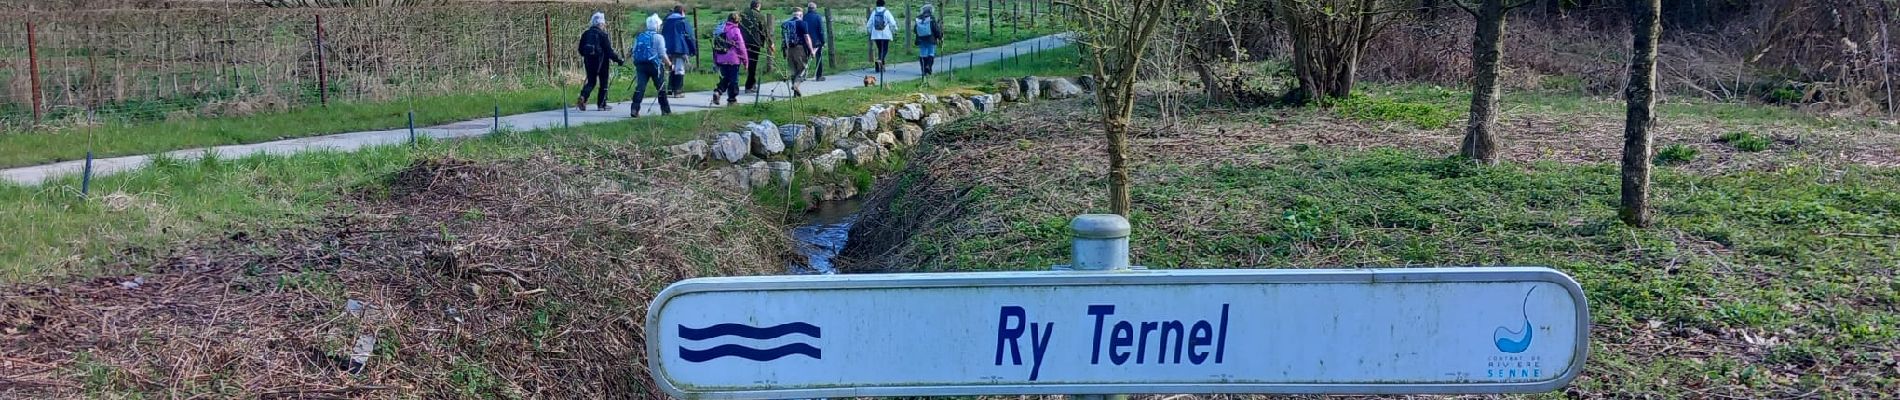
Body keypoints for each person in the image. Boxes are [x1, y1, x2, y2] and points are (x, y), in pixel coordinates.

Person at [575, 12, 624, 112]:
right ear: (600, 24)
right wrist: (619, 60)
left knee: (591, 82)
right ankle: (602, 104)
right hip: (602, 62)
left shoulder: (586, 33)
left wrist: (587, 56)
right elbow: (609, 52)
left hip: (589, 61)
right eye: (603, 23)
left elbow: (580, 49)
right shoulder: (603, 35)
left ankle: (583, 97)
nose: (604, 25)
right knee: (603, 83)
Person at [628, 14, 674, 118]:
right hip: (655, 66)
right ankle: (665, 110)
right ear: (657, 26)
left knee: (640, 87)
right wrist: (670, 65)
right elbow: (662, 54)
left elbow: (633, 50)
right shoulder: (659, 37)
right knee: (661, 87)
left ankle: (634, 109)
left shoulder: (640, 36)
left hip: (640, 65)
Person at [711, 13, 750, 106]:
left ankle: (718, 91)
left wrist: (715, 59)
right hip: (733, 59)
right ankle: (732, 100)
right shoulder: (735, 30)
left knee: (726, 78)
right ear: (737, 21)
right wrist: (745, 61)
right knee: (733, 80)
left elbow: (715, 45)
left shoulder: (720, 29)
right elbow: (741, 47)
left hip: (721, 58)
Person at [661, 5, 698, 99]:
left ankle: (670, 89)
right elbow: (689, 36)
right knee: (679, 69)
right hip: (680, 48)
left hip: (668, 48)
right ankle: (678, 91)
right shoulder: (683, 21)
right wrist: (693, 49)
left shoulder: (667, 22)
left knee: (671, 67)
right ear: (682, 12)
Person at [781, 7, 816, 97]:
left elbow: (783, 39)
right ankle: (796, 85)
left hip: (788, 49)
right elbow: (807, 38)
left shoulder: (785, 24)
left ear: (793, 14)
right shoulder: (803, 23)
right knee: (803, 69)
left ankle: (795, 94)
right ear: (801, 15)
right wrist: (812, 50)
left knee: (793, 70)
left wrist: (784, 51)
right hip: (799, 49)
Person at [739, 0, 771, 93]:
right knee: (752, 64)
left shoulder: (742, 15)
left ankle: (751, 83)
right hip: (754, 43)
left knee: (746, 64)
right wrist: (770, 43)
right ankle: (749, 85)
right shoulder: (759, 16)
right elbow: (764, 30)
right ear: (758, 5)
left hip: (742, 42)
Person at [865, 0, 898, 73]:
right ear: (884, 4)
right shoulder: (886, 12)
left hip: (876, 34)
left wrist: (871, 32)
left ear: (876, 4)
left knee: (880, 49)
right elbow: (892, 23)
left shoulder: (874, 12)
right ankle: (879, 60)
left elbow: (868, 24)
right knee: (885, 49)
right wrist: (895, 30)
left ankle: (881, 66)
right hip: (885, 34)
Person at [913, 4, 944, 76]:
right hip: (931, 39)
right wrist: (940, 37)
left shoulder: (918, 18)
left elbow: (915, 30)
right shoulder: (932, 18)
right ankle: (928, 66)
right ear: (931, 10)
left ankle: (923, 70)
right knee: (931, 53)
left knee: (922, 54)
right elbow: (936, 30)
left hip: (921, 39)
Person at [802, 2, 828, 81]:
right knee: (818, 57)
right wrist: (823, 41)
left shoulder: (804, 17)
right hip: (816, 41)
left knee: (805, 58)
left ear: (808, 8)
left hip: (806, 41)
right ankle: (818, 76)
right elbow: (821, 30)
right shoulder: (818, 17)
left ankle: (803, 75)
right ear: (815, 8)